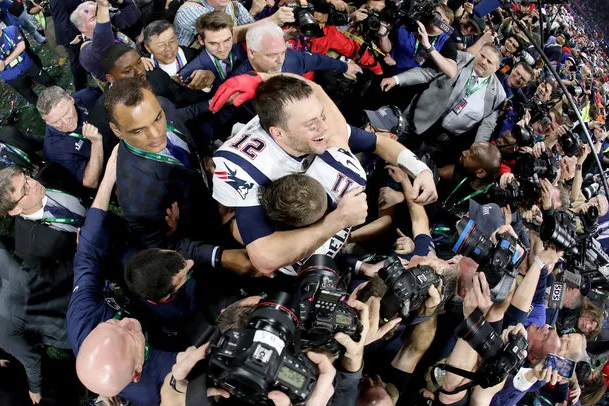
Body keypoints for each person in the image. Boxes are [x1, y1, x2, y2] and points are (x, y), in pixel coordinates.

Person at [211, 73, 437, 274]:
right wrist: (338, 220)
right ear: (278, 133)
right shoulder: (241, 165)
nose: (324, 127)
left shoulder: (326, 136)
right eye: (312, 124)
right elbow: (264, 257)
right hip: (291, 261)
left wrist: (421, 170)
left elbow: (377, 141)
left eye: (322, 116)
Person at [104, 78, 254, 276]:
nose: (156, 134)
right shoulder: (136, 198)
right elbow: (165, 248)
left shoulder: (162, 105)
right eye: (139, 130)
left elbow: (182, 117)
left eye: (158, 118)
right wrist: (219, 256)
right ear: (117, 131)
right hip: (209, 232)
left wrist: (217, 104)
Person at [67, 147, 177, 406]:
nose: (125, 321)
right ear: (136, 371)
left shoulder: (82, 319)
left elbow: (86, 257)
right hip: (174, 330)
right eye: (127, 334)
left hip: (140, 292)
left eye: (111, 324)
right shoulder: (154, 385)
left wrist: (106, 181)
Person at [0, 235, 72, 406]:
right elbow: (14, 240)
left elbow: (31, 359)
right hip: (74, 285)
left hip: (71, 327)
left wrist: (35, 390)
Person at [381, 44, 507, 161]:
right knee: (386, 149)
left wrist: (478, 150)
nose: (483, 61)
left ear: (496, 68)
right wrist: (397, 79)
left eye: (489, 61)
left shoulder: (498, 94)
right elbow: (427, 73)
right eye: (482, 55)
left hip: (439, 140)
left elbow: (487, 125)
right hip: (416, 118)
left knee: (405, 164)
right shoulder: (459, 58)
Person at [0, 165, 85, 273]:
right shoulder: (29, 249)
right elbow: (59, 275)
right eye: (25, 189)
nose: (34, 184)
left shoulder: (50, 172)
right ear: (15, 210)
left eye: (27, 178)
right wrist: (82, 252)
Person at [232, 21, 363, 78]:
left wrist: (345, 67)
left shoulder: (292, 59)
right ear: (251, 52)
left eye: (283, 52)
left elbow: (317, 60)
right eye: (271, 55)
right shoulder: (238, 80)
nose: (280, 60)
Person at [38, 86, 107, 189]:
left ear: (70, 99)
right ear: (46, 121)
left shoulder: (88, 95)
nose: (66, 122)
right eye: (56, 121)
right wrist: (96, 143)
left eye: (66, 113)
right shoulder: (54, 150)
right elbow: (90, 182)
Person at [0, 15, 54, 104]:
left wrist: (6, 61)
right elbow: (0, 68)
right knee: (30, 97)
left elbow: (21, 46)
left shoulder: (11, 29)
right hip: (12, 77)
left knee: (47, 80)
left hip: (27, 65)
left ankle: (61, 96)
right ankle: (44, 111)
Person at [377, 2, 458, 78]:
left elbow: (452, 72)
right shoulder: (410, 23)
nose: (439, 21)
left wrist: (428, 46)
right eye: (437, 16)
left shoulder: (445, 40)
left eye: (444, 21)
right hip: (389, 68)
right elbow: (387, 48)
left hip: (413, 81)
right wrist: (383, 35)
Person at [70, 0, 142, 83]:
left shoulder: (109, 23)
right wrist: (103, 7)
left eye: (99, 14)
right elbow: (104, 42)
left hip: (141, 68)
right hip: (127, 87)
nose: (100, 19)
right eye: (93, 18)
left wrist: (122, 2)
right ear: (82, 28)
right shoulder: (86, 52)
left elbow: (131, 17)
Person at [173, 0, 293, 48]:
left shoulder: (235, 6)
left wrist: (285, 34)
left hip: (223, 64)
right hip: (191, 70)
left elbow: (254, 33)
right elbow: (224, 36)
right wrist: (272, 20)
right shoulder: (189, 11)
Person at [179, 11, 248, 92]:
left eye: (226, 40)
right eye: (213, 43)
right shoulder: (190, 74)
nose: (222, 49)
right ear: (201, 40)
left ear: (232, 33)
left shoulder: (238, 47)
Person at [48, 0, 88, 90]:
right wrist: (72, 38)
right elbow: (60, 20)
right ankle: (80, 86)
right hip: (71, 35)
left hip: (77, 27)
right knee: (76, 60)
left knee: (84, 53)